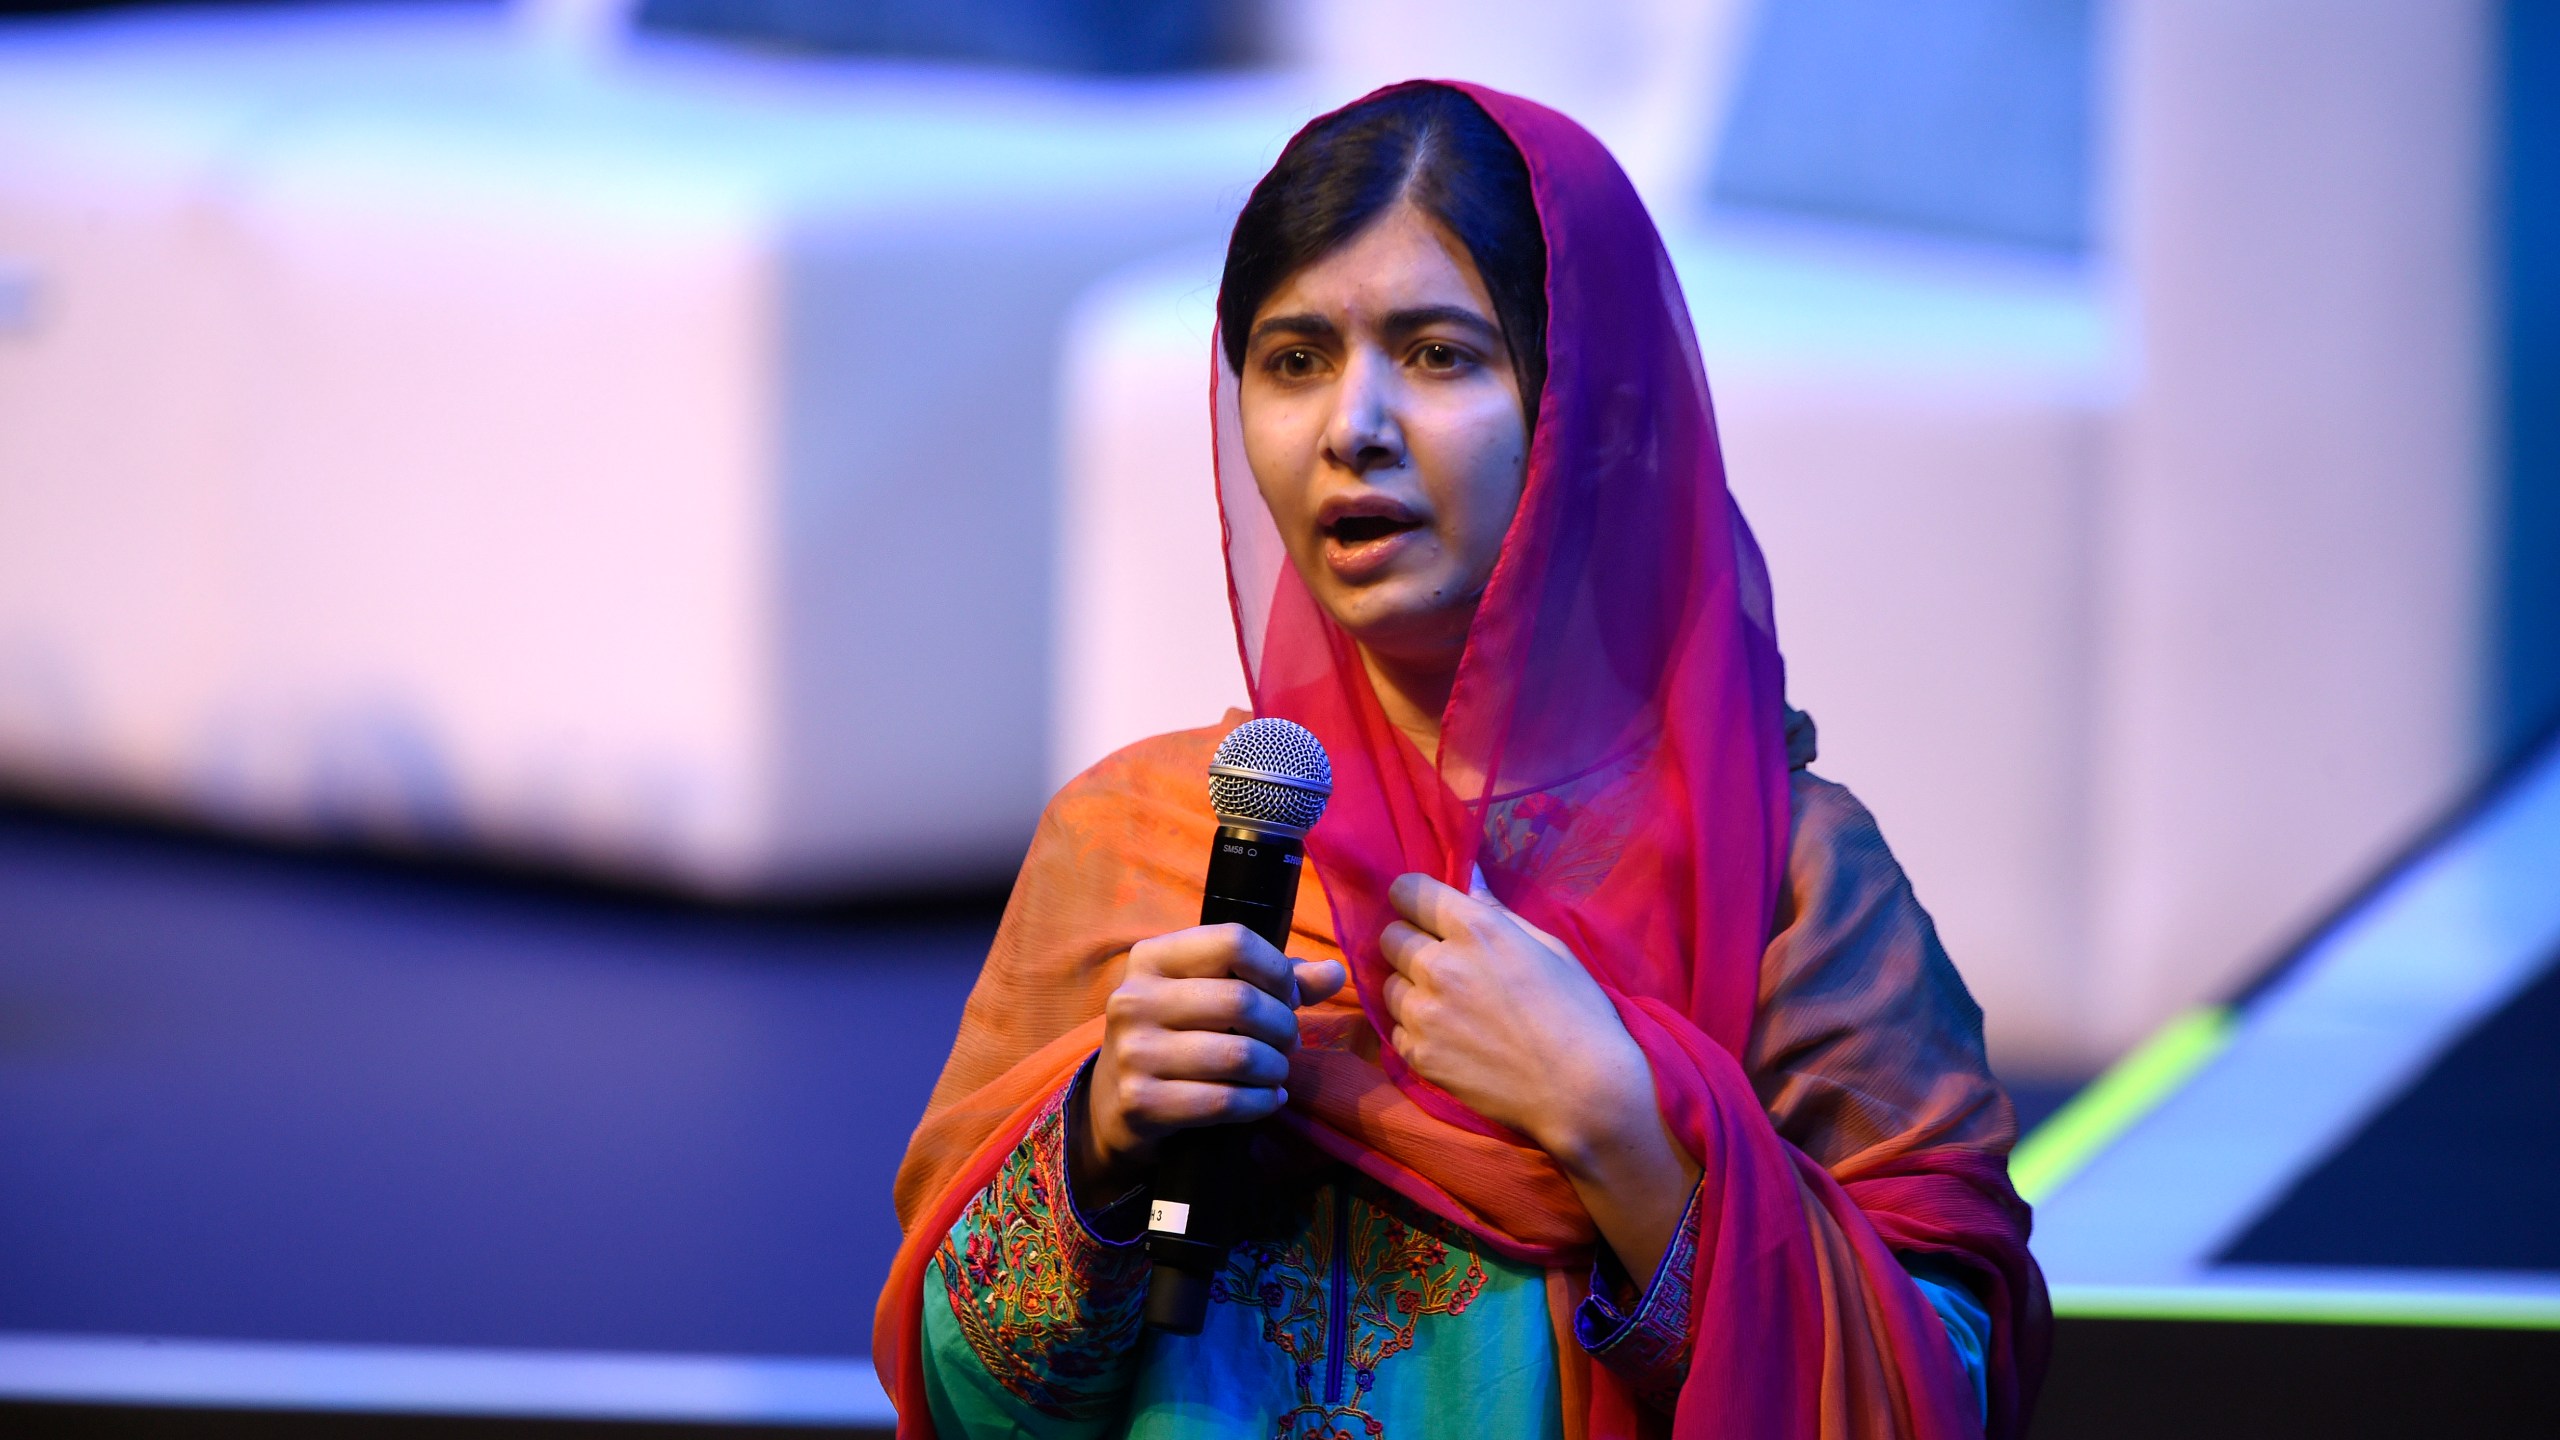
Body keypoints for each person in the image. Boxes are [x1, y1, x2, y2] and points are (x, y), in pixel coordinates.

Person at [876, 81, 2047, 1440]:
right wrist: (1098, 1146)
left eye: (1437, 354)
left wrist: (1617, 1125)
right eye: (1294, 357)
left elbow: (1938, 1403)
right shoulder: (1146, 841)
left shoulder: (1784, 880)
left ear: (1589, 420)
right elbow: (963, 1409)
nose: (1350, 427)